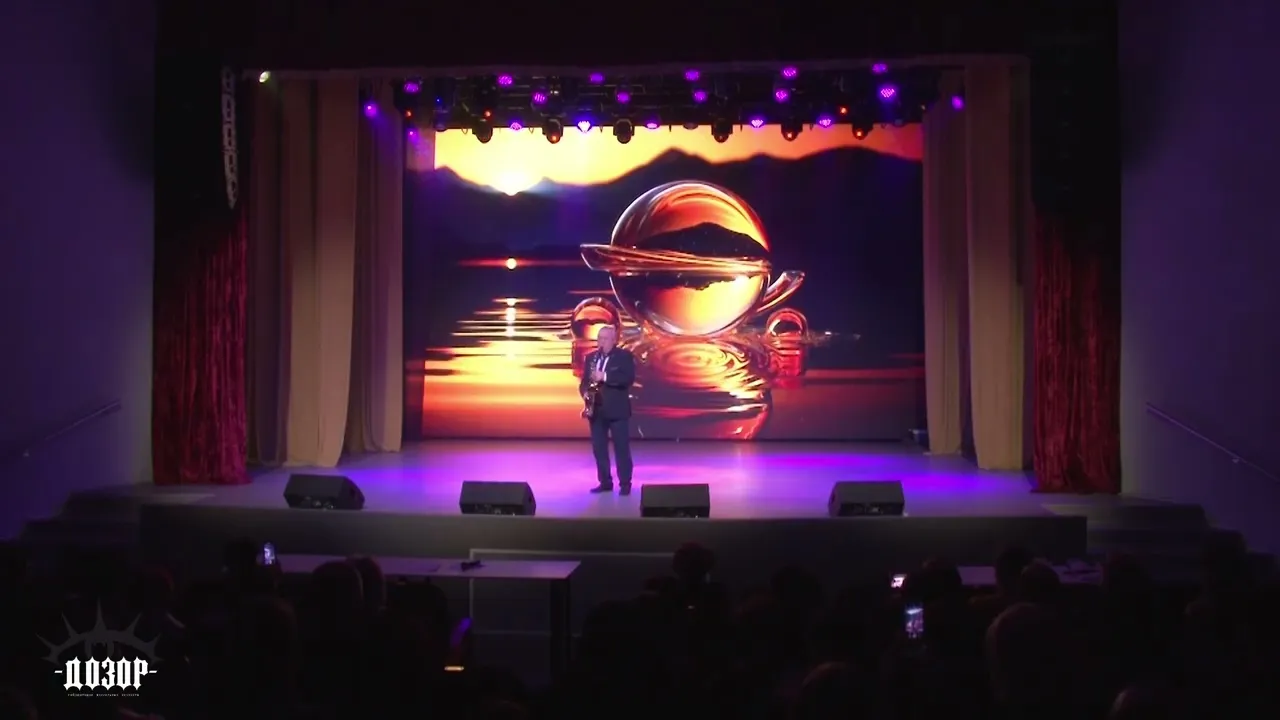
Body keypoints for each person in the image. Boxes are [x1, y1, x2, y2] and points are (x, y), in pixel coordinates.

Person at [579, 325, 635, 494]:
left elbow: (628, 379)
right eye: (599, 338)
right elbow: (584, 382)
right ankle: (605, 482)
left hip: (617, 411)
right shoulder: (590, 358)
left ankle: (625, 483)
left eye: (605, 339)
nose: (601, 342)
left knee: (621, 449)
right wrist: (586, 394)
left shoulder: (624, 357)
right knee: (599, 449)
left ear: (614, 340)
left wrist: (604, 376)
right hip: (597, 412)